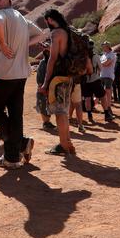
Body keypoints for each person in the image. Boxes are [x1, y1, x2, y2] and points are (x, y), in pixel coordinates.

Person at [0, 0, 44, 168]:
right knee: (15, 114)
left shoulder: (1, 15)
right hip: (21, 74)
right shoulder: (20, 17)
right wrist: (23, 44)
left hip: (4, 73)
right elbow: (41, 33)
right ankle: (12, 158)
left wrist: (2, 43)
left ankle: (21, 142)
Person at [39, 9, 75, 156]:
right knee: (64, 111)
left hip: (57, 78)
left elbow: (53, 59)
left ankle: (63, 146)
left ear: (49, 20)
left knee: (59, 112)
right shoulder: (68, 31)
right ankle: (68, 144)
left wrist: (45, 82)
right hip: (68, 76)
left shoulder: (56, 33)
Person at [82, 41, 107, 124]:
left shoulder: (83, 57)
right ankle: (107, 114)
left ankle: (89, 115)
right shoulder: (95, 56)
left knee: (87, 98)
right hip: (95, 79)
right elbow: (101, 68)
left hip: (86, 81)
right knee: (103, 96)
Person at [35, 45, 56, 130]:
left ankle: (47, 122)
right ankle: (45, 122)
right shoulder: (43, 63)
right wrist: (41, 86)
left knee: (49, 104)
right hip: (44, 87)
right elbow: (39, 77)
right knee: (43, 104)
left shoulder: (52, 62)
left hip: (51, 86)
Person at [99, 41, 116, 122]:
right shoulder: (103, 55)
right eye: (103, 46)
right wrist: (101, 64)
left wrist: (99, 63)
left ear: (108, 46)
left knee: (107, 92)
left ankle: (108, 108)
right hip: (101, 76)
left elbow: (107, 63)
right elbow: (103, 64)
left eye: (104, 46)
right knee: (102, 93)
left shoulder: (112, 54)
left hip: (108, 76)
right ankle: (106, 109)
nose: (103, 47)